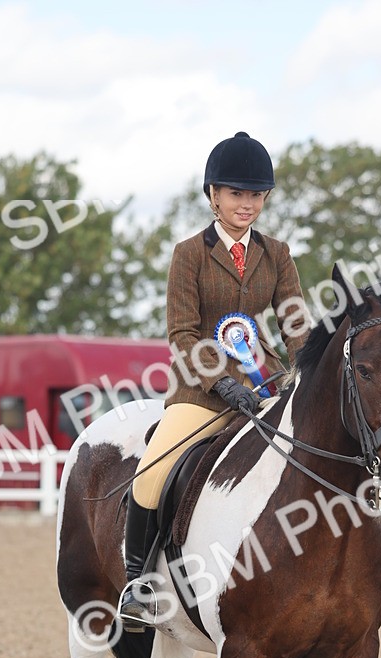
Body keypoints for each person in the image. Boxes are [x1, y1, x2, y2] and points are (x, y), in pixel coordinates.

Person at [118, 131, 310, 630]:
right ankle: (137, 582)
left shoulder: (277, 253)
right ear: (213, 196)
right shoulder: (189, 254)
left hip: (265, 382)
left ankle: (354, 570)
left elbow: (294, 324)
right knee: (153, 471)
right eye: (236, 194)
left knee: (324, 448)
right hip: (200, 391)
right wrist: (221, 383)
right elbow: (182, 331)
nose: (247, 205)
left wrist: (308, 372)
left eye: (256, 195)